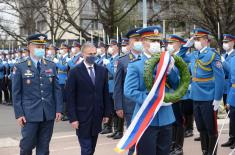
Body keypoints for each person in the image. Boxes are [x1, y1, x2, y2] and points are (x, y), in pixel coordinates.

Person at [124, 26, 178, 155]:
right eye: (151, 40)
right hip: (146, 118)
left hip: (166, 117)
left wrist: (171, 71)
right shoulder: (135, 65)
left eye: (157, 41)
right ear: (142, 42)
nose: (156, 44)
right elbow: (129, 90)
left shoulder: (166, 61)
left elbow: (176, 84)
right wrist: (152, 100)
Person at [12, 33, 63, 155]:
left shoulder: (50, 65)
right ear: (29, 46)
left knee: (44, 148)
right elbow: (16, 93)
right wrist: (19, 114)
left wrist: (58, 110)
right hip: (29, 114)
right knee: (27, 146)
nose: (41, 49)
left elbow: (56, 90)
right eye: (37, 46)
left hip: (48, 113)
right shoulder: (20, 66)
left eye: (43, 47)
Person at [66, 42, 112, 155]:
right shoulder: (74, 72)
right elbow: (70, 97)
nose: (92, 56)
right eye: (89, 54)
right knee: (86, 149)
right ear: (82, 54)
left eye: (94, 53)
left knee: (92, 148)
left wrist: (107, 113)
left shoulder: (102, 71)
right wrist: (73, 118)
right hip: (82, 117)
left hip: (97, 115)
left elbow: (105, 93)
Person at [186, 28, 224, 155]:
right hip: (195, 96)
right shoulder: (193, 55)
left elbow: (220, 78)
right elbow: (179, 56)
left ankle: (211, 152)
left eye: (198, 39)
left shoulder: (213, 55)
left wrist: (218, 98)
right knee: (201, 127)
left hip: (208, 97)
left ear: (206, 41)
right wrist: (186, 45)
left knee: (210, 128)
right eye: (195, 39)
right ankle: (204, 151)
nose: (196, 41)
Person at [113, 27, 142, 154]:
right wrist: (118, 106)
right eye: (136, 39)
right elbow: (118, 85)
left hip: (147, 104)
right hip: (130, 105)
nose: (139, 42)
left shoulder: (151, 58)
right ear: (129, 42)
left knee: (146, 138)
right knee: (133, 137)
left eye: (141, 39)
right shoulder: (123, 60)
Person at [221, 34, 235, 149]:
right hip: (225, 89)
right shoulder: (224, 55)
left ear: (233, 43)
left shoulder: (233, 56)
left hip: (232, 89)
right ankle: (232, 137)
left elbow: (231, 72)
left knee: (233, 115)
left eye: (227, 41)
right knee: (230, 115)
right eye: (224, 41)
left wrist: (223, 63)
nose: (225, 44)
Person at [54, 43, 70, 121]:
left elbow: (64, 68)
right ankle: (62, 113)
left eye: (63, 48)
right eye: (61, 48)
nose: (61, 50)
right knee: (60, 97)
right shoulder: (61, 57)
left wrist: (56, 62)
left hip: (64, 79)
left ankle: (66, 114)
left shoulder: (67, 58)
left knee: (64, 98)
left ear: (67, 49)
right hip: (59, 79)